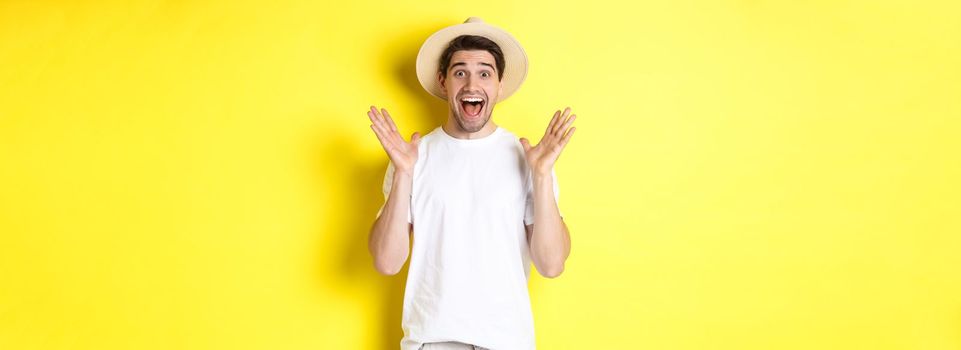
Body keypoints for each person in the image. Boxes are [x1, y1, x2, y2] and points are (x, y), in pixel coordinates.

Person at [367, 17, 576, 350]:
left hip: (507, 343)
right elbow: (386, 262)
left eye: (485, 72)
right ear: (443, 81)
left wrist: (541, 176)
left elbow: (551, 265)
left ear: (499, 85)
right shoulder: (411, 157)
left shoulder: (531, 160)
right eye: (460, 72)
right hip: (432, 343)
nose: (471, 84)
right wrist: (404, 172)